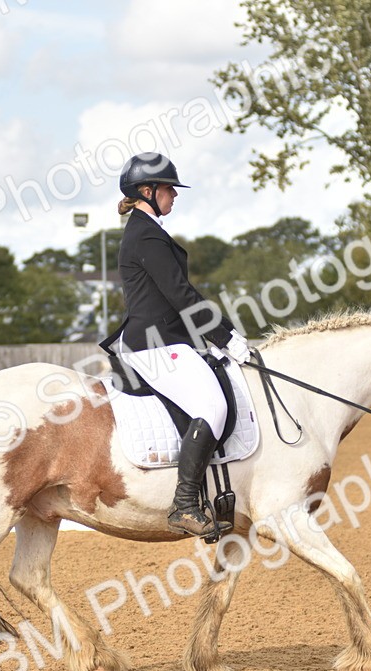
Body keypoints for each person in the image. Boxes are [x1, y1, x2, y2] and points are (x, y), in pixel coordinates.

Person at [102, 152, 250, 540]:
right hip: (155, 345)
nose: (174, 195)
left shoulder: (146, 230)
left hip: (168, 340)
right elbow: (181, 295)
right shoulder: (146, 234)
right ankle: (184, 503)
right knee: (213, 406)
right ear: (147, 191)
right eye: (168, 189)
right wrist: (226, 336)